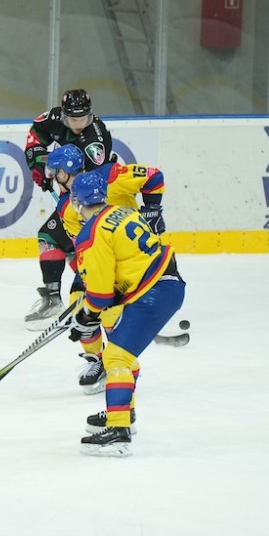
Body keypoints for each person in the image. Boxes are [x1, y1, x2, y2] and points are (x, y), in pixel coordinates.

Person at [66, 171, 185, 457]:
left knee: (116, 358)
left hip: (153, 292)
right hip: (163, 283)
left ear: (77, 202)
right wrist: (89, 314)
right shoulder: (121, 211)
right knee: (122, 354)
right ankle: (122, 414)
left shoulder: (91, 234)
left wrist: (85, 316)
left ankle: (118, 434)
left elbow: (100, 295)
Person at [45, 144, 167, 393]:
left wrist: (152, 210)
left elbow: (154, 177)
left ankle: (120, 361)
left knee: (109, 313)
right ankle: (98, 360)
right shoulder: (66, 206)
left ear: (64, 172)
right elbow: (84, 246)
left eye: (55, 173)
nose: (53, 179)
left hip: (129, 259)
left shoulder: (110, 176)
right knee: (79, 304)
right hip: (102, 258)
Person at [23, 88, 113, 329]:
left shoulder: (95, 141)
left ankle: (80, 296)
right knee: (70, 243)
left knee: (52, 238)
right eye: (73, 119)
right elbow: (35, 138)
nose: (78, 124)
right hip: (74, 197)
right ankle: (94, 293)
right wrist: (40, 165)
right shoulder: (53, 119)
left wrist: (52, 172)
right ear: (64, 116)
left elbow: (86, 181)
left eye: (83, 119)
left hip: (93, 201)